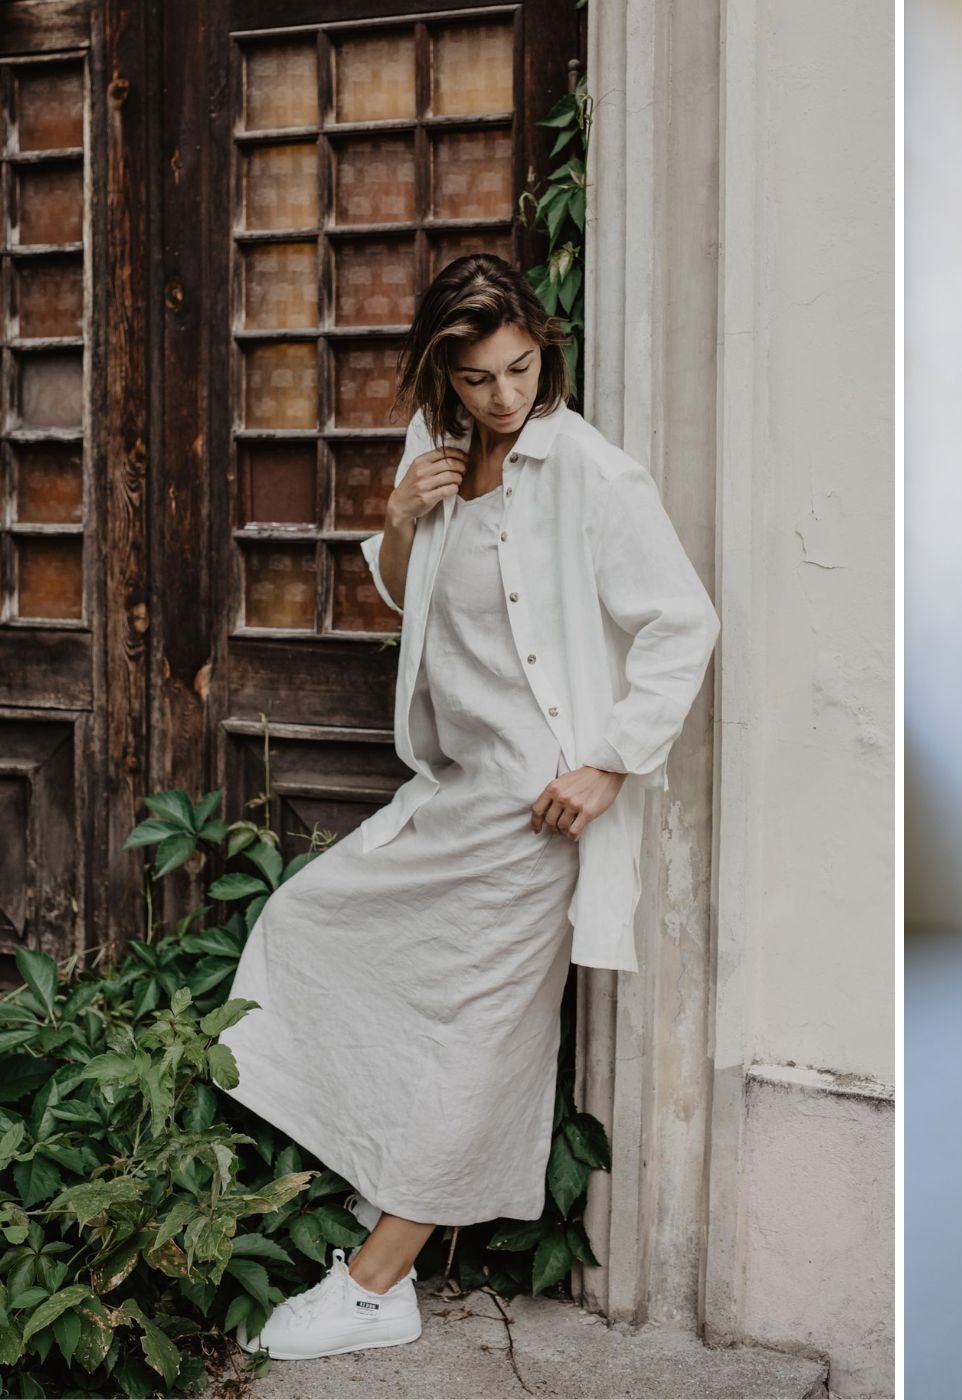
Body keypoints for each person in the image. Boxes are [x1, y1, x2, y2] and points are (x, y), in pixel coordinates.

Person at [214, 254, 720, 1361]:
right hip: (452, 784)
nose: (507, 396)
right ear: (444, 367)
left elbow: (684, 622)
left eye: (523, 368)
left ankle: (375, 1281)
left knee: (478, 1037)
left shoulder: (590, 473)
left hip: (538, 808)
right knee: (305, 923)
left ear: (546, 349)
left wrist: (609, 763)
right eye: (482, 375)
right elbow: (410, 590)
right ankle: (389, 1197)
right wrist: (400, 517)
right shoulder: (435, 449)